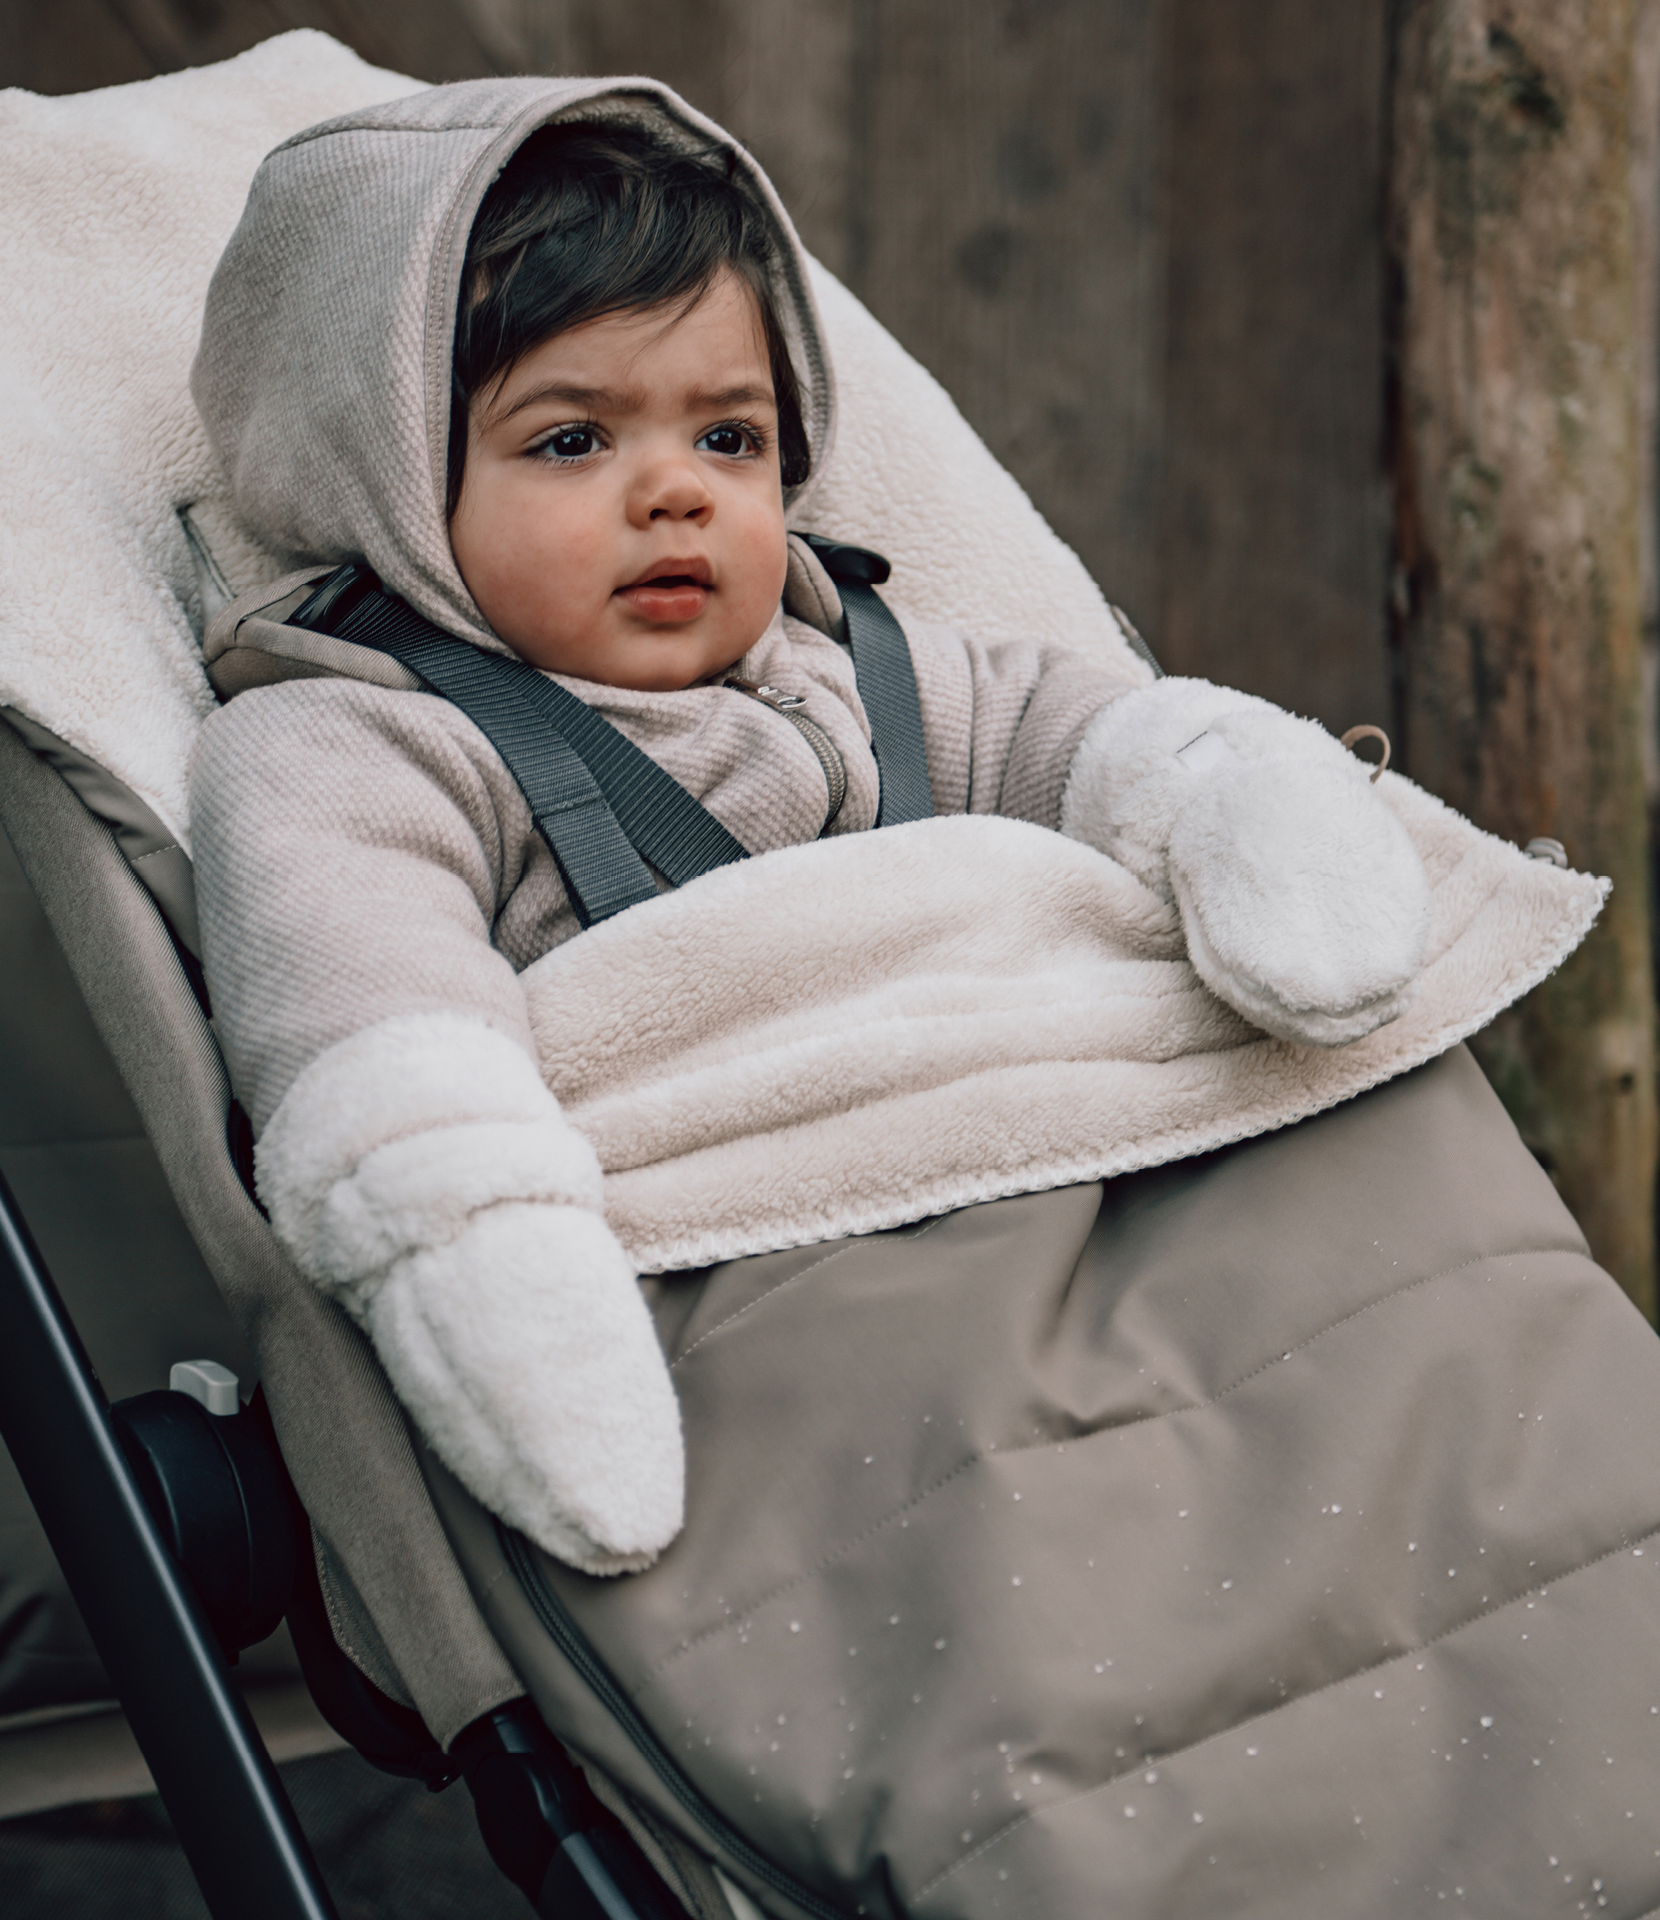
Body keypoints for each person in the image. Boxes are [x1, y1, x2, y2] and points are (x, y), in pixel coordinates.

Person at [187, 79, 1430, 1574]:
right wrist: (484, 1253)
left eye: (729, 437)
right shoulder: (361, 748)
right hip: (749, 1268)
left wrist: (1229, 783)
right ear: (383, 483)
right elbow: (376, 1017)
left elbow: (1081, 735)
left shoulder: (857, 677)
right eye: (573, 443)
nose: (676, 496)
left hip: (1048, 1182)